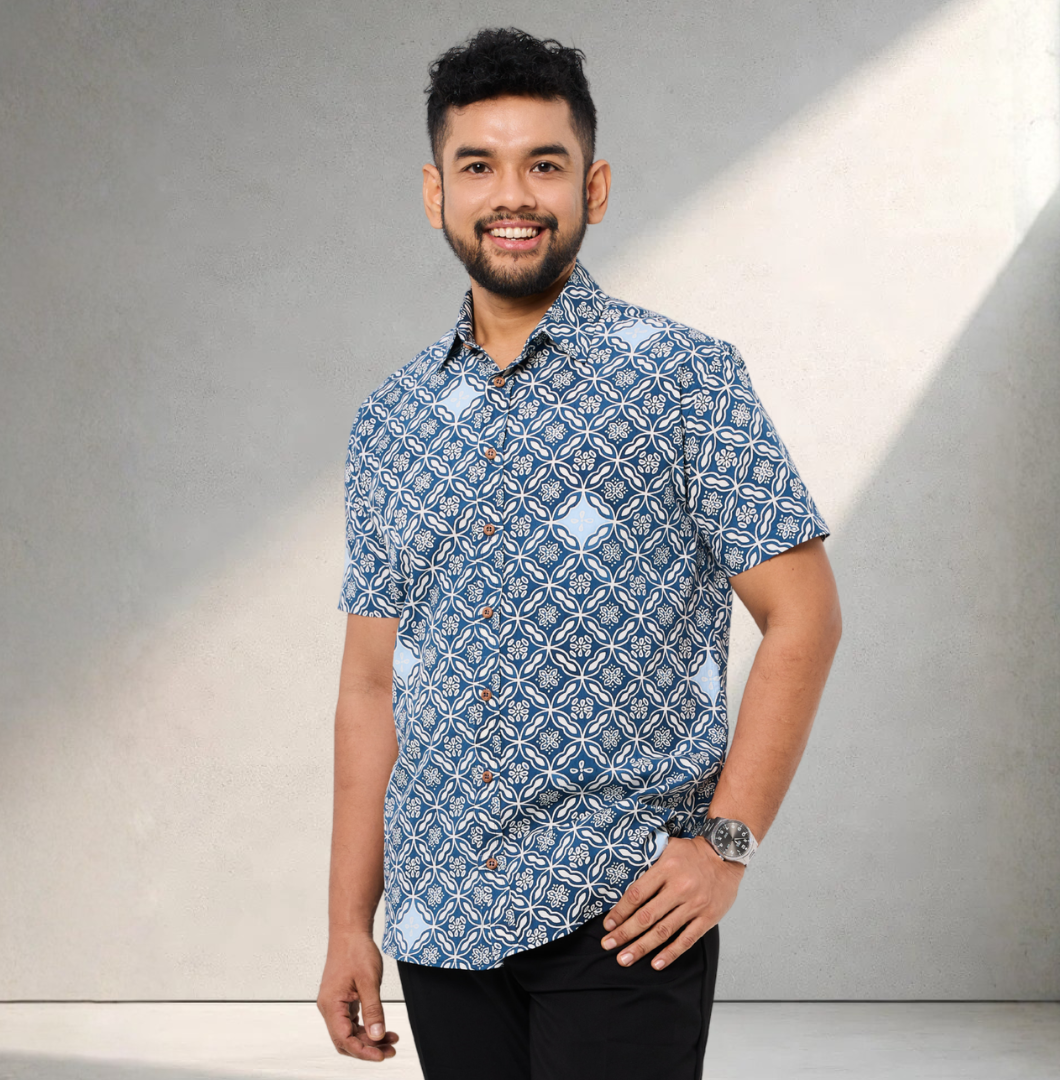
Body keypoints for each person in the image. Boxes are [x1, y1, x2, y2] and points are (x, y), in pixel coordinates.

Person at [317, 26, 842, 1080]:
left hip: (622, 912)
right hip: (438, 917)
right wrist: (346, 925)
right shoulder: (390, 421)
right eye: (480, 166)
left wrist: (726, 845)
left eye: (543, 165)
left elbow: (806, 615)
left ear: (592, 186)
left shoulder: (685, 379)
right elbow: (371, 688)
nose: (513, 194)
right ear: (437, 194)